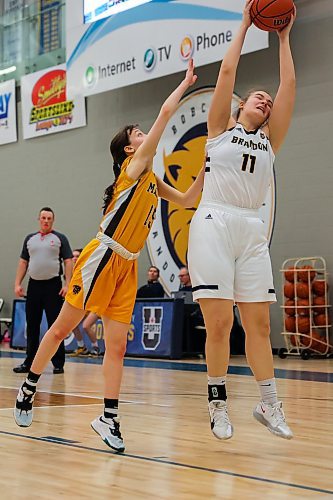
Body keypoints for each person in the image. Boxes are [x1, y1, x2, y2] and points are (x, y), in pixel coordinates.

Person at [14, 59, 205, 452]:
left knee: (117, 346)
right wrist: (185, 83)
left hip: (128, 265)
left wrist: (206, 165)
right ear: (129, 149)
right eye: (138, 133)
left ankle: (108, 418)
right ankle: (29, 387)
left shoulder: (152, 180)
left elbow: (187, 199)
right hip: (103, 256)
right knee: (61, 329)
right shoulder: (132, 170)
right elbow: (167, 112)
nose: (143, 134)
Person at [188, 0, 296, 441]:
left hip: (251, 229)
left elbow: (288, 83)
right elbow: (228, 74)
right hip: (214, 221)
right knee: (220, 324)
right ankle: (217, 404)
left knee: (258, 324)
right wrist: (245, 26)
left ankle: (269, 404)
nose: (266, 99)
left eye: (267, 102)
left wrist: (284, 37)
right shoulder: (219, 130)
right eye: (258, 96)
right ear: (239, 107)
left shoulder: (271, 141)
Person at [13, 207, 73, 375]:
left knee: (56, 326)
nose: (46, 220)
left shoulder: (60, 239)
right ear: (39, 219)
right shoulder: (30, 239)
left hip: (53, 287)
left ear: (53, 220)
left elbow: (68, 261)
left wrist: (67, 284)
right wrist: (17, 283)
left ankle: (58, 363)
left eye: (49, 218)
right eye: (43, 218)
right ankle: (29, 362)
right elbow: (23, 263)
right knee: (32, 325)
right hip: (34, 286)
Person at [69, 249, 101, 357]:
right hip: (83, 304)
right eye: (73, 256)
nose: (74, 258)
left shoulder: (88, 269)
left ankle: (96, 348)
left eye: (77, 256)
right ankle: (81, 347)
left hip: (96, 304)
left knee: (86, 325)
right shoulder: (71, 272)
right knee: (72, 324)